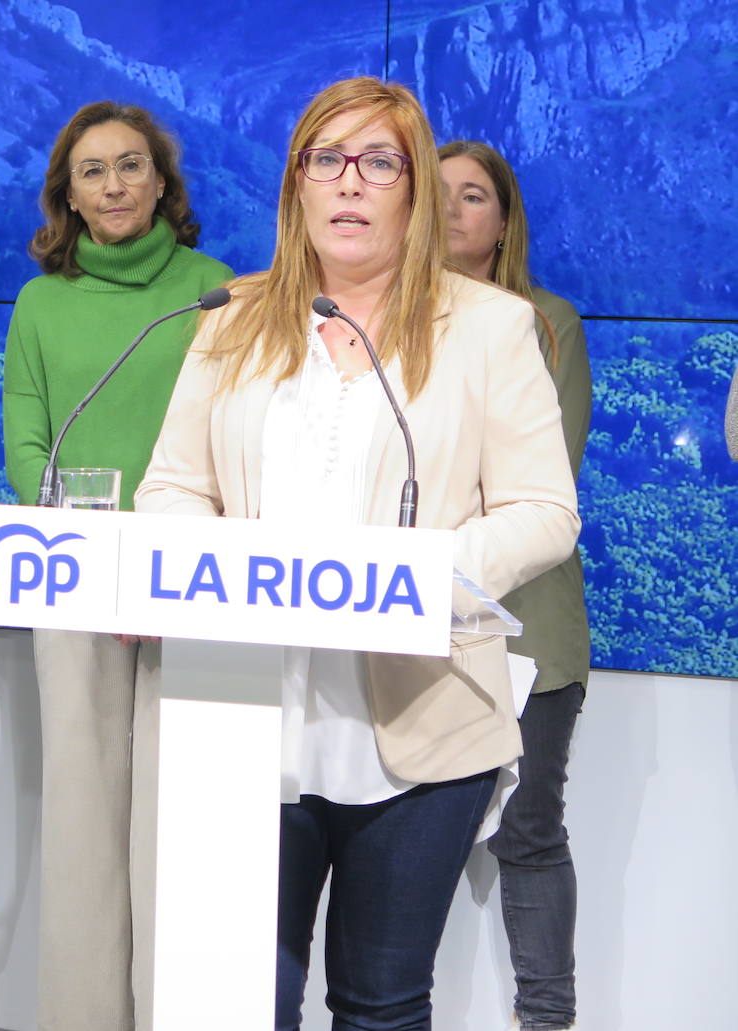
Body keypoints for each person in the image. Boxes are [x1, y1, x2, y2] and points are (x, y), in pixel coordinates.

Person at [134, 77, 581, 1031]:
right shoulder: (231, 319)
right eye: (325, 158)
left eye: (379, 162)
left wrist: (413, 574)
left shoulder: (493, 327)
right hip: (247, 714)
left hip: (420, 722)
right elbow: (170, 488)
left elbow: (545, 510)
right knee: (237, 1003)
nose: (350, 180)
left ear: (413, 192)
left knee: (380, 1005)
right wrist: (231, 565)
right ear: (296, 184)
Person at [2, 100, 233, 1030]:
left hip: (188, 584)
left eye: (131, 166)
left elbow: (231, 434)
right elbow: (26, 435)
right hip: (78, 581)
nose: (113, 186)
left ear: (162, 181)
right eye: (92, 171)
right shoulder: (40, 300)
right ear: (68, 192)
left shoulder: (216, 288)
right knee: (85, 816)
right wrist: (83, 548)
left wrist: (164, 554)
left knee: (175, 819)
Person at [440, 138, 592, 1031]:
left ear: (504, 222)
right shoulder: (388, 318)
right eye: (443, 193)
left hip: (528, 625)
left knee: (528, 832)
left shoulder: (548, 323)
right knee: (393, 840)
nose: (456, 210)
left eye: (474, 196)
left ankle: (547, 1019)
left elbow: (542, 483)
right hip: (408, 619)